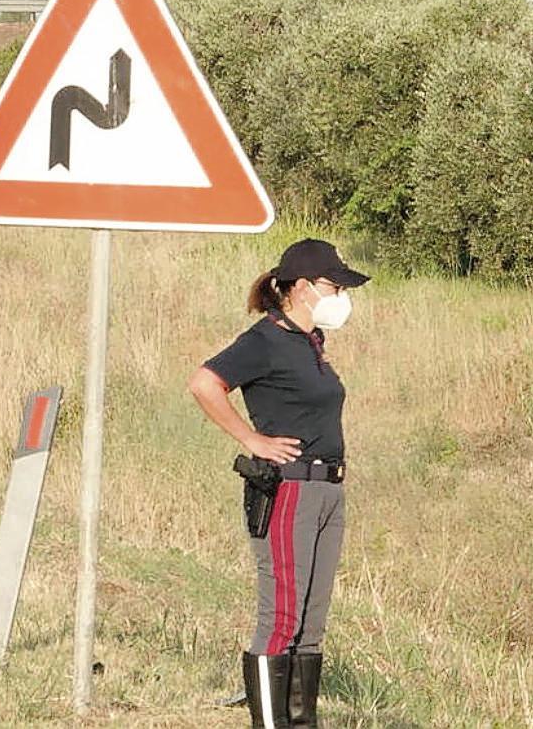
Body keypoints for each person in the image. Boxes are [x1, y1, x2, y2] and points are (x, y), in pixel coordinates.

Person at [187, 239, 368, 729]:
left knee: (311, 625)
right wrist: (252, 439)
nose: (342, 296)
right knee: (282, 619)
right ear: (304, 288)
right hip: (290, 491)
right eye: (334, 285)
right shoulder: (264, 339)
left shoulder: (310, 342)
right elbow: (205, 382)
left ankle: (300, 723)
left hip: (328, 490)